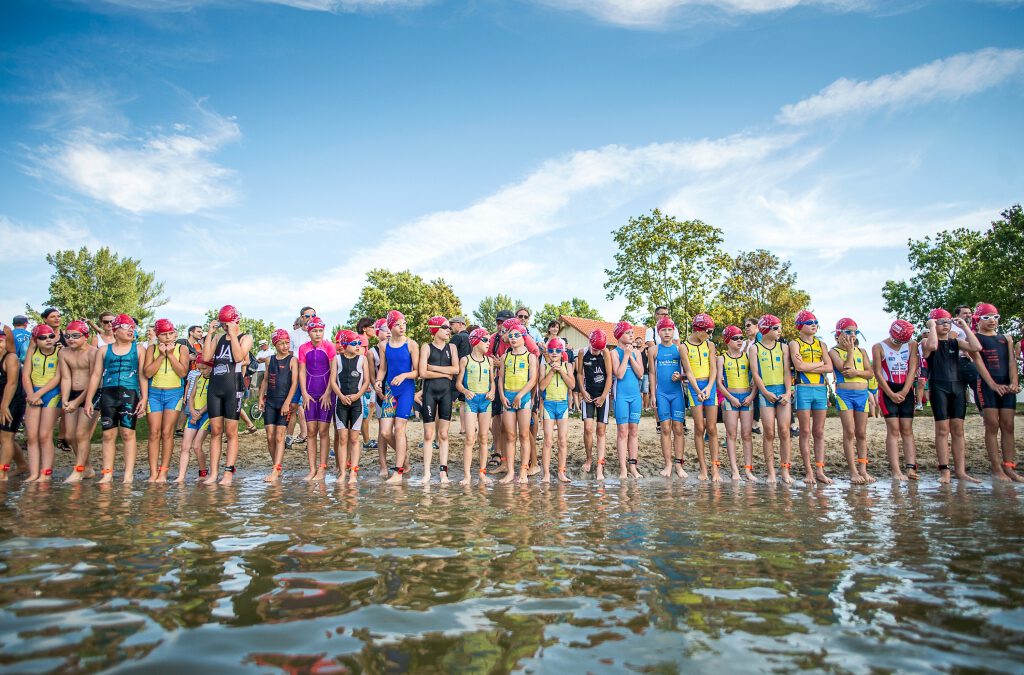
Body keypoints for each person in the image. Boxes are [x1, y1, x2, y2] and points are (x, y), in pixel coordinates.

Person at [84, 314, 147, 484]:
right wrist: (89, 400)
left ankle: (128, 474)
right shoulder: (104, 350)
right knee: (108, 435)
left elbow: (142, 376)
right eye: (127, 327)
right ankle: (107, 473)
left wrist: (144, 398)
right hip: (108, 394)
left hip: (130, 393)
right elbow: (96, 375)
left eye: (133, 328)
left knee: (127, 433)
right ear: (116, 330)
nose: (131, 331)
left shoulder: (139, 349)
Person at [922, 308, 982, 484]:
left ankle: (961, 471)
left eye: (948, 322)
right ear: (933, 323)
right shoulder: (927, 341)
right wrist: (933, 325)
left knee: (958, 430)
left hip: (957, 386)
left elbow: (977, 347)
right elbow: (932, 346)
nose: (946, 325)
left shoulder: (956, 342)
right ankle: (944, 471)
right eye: (941, 322)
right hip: (939, 387)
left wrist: (964, 325)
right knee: (942, 430)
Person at [201, 305, 253, 486]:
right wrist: (209, 333)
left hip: (234, 386)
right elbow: (206, 357)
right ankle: (213, 472)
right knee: (215, 431)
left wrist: (233, 336)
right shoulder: (217, 337)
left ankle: (228, 472)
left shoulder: (246, 338)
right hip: (215, 386)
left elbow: (238, 358)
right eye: (223, 324)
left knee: (231, 432)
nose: (225, 327)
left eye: (228, 323)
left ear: (236, 321)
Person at [970, 303, 1021, 482]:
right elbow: (978, 362)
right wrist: (991, 384)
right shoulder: (975, 338)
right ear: (978, 320)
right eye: (987, 317)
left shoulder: (1005, 338)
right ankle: (996, 468)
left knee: (1008, 425)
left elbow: (1012, 362)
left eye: (995, 317)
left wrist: (1014, 382)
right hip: (986, 385)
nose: (992, 320)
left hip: (1006, 385)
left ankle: (1009, 467)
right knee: (992, 425)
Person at [789, 310, 833, 485]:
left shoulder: (821, 344)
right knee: (805, 431)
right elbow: (798, 366)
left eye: (815, 321)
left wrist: (811, 366)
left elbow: (829, 367)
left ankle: (820, 470)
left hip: (820, 390)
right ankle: (809, 471)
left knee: (819, 431)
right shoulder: (795, 343)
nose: (814, 324)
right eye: (809, 322)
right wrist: (820, 363)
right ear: (800, 326)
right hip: (803, 390)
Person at [829, 318, 875, 484]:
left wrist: (856, 371)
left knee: (861, 433)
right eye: (848, 332)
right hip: (845, 395)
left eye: (855, 332)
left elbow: (870, 373)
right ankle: (853, 471)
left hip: (862, 394)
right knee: (849, 433)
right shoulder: (833, 352)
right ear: (839, 334)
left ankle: (863, 469)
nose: (853, 335)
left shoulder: (862, 351)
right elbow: (845, 369)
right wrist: (849, 351)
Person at [872, 319, 919, 481]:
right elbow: (877, 372)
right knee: (893, 430)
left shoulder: (912, 345)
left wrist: (906, 390)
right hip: (887, 390)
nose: (899, 343)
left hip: (906, 388)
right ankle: (896, 470)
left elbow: (913, 367)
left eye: (902, 341)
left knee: (907, 429)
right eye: (897, 340)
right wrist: (891, 394)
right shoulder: (878, 347)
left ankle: (911, 468)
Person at [143, 319, 188, 482]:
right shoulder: (151, 349)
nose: (168, 337)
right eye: (164, 334)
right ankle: (153, 472)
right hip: (154, 394)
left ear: (175, 333)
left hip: (174, 394)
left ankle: (163, 471)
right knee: (154, 433)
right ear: (157, 335)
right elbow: (147, 373)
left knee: (167, 432)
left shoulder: (182, 349)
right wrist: (161, 356)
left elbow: (183, 373)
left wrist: (170, 354)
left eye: (170, 333)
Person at [377, 310, 419, 485]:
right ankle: (405, 459)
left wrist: (404, 376)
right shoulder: (383, 345)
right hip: (389, 390)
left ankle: (398, 471)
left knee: (399, 430)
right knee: (386, 432)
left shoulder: (411, 344)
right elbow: (383, 369)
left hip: (406, 389)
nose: (402, 327)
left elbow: (417, 372)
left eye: (404, 324)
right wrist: (378, 381)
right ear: (390, 326)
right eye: (398, 324)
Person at [749, 315, 792, 483]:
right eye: (776, 328)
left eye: (780, 327)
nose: (779, 331)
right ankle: (771, 472)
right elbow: (755, 373)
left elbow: (787, 372)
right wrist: (765, 392)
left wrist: (788, 392)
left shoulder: (784, 347)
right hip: (766, 392)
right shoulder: (755, 349)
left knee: (784, 431)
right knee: (769, 433)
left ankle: (785, 471)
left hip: (782, 391)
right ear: (765, 329)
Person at [497, 319, 539, 483]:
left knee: (523, 434)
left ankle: (523, 470)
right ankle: (510, 471)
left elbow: (533, 379)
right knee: (510, 435)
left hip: (524, 398)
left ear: (524, 337)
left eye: (517, 335)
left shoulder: (530, 357)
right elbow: (501, 379)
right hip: (507, 397)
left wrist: (520, 395)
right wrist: (501, 395)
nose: (513, 338)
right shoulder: (505, 356)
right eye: (511, 335)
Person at [418, 316, 459, 484]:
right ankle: (426, 472)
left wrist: (433, 367)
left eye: (449, 327)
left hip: (445, 394)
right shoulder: (426, 347)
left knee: (443, 434)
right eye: (444, 327)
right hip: (429, 393)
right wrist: (445, 373)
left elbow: (455, 370)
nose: (448, 330)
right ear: (435, 329)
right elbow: (422, 373)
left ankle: (443, 471)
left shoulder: (452, 347)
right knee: (428, 434)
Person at [59, 320, 100, 482]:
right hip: (72, 393)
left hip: (92, 393)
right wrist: (65, 399)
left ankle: (78, 469)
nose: (71, 339)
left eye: (75, 336)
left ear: (86, 337)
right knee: (69, 436)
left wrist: (77, 402)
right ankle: (87, 468)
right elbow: (66, 377)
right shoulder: (63, 353)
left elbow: (93, 379)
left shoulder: (93, 353)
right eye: (68, 336)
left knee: (81, 434)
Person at [297, 316, 336, 482]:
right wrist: (304, 393)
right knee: (311, 431)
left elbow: (333, 371)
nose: (318, 334)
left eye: (320, 331)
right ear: (308, 331)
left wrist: (328, 392)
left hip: (327, 393)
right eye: (314, 331)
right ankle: (312, 469)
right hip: (310, 393)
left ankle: (322, 468)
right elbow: (301, 372)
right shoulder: (303, 348)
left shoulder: (329, 346)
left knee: (323, 431)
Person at [22, 323, 62, 481]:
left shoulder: (60, 352)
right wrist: (31, 394)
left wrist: (38, 394)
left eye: (51, 336)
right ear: (35, 340)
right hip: (33, 392)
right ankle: (33, 473)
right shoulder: (32, 352)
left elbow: (58, 377)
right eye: (43, 337)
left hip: (51, 393)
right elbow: (25, 375)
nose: (48, 340)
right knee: (32, 437)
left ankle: (45, 473)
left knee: (45, 435)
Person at [682, 313, 720, 481]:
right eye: (708, 331)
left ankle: (715, 468)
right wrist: (698, 390)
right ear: (698, 330)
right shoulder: (684, 346)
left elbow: (713, 368)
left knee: (712, 428)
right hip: (694, 386)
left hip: (709, 386)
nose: (710, 335)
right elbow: (688, 371)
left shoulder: (710, 345)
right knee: (699, 428)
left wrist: (710, 387)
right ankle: (703, 468)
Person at [648, 316, 686, 479]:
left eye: (670, 330)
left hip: (677, 393)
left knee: (678, 428)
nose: (667, 333)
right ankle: (668, 464)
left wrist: (681, 376)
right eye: (663, 330)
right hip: (662, 393)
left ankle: (679, 464)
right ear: (658, 332)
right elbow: (651, 373)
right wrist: (653, 394)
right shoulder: (653, 350)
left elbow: (688, 372)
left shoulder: (680, 349)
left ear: (674, 331)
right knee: (665, 428)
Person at [456, 327, 494, 485]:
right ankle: (467, 476)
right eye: (485, 340)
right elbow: (458, 383)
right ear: (476, 341)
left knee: (484, 438)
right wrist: (465, 391)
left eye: (489, 340)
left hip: (485, 401)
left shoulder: (489, 361)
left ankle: (482, 473)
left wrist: (492, 391)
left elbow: (492, 382)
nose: (488, 343)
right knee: (470, 439)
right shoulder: (465, 360)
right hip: (471, 401)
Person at [259, 329, 297, 482]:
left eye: (287, 343)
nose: (285, 346)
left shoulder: (292, 360)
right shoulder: (270, 360)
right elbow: (266, 379)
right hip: (270, 401)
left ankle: (277, 469)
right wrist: (260, 397)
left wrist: (288, 402)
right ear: (275, 344)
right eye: (281, 343)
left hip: (284, 402)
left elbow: (294, 383)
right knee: (270, 437)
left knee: (280, 437)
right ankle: (276, 465)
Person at [332, 329, 369, 484]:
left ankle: (353, 471)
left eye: (359, 343)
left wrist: (357, 396)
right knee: (342, 438)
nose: (358, 346)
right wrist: (341, 396)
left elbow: (366, 381)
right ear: (345, 344)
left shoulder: (362, 360)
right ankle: (342, 472)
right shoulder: (337, 359)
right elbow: (333, 381)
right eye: (354, 343)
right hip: (341, 402)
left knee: (354, 438)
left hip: (357, 403)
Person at [718, 325, 753, 481]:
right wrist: (730, 398)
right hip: (730, 397)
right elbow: (719, 383)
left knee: (746, 435)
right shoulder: (722, 358)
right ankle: (734, 470)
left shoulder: (748, 357)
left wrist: (752, 396)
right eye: (735, 338)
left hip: (747, 397)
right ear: (727, 340)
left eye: (741, 338)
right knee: (731, 435)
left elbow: (756, 379)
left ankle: (747, 469)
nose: (739, 340)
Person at [539, 336, 575, 483]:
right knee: (547, 441)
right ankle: (546, 473)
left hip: (562, 406)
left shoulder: (568, 366)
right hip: (549, 405)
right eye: (552, 350)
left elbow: (572, 385)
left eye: (558, 350)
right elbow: (541, 386)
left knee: (562, 441)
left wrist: (561, 371)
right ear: (548, 351)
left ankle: (561, 472)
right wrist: (552, 372)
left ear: (562, 352)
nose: (554, 353)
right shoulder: (544, 366)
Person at [611, 321, 643, 480]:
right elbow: (620, 374)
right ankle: (623, 468)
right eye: (628, 333)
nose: (631, 335)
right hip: (621, 397)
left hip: (635, 396)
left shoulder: (637, 353)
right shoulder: (614, 353)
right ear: (619, 335)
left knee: (634, 432)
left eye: (632, 332)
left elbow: (640, 373)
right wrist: (627, 356)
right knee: (623, 432)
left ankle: (633, 466)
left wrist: (632, 356)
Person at [579, 329, 612, 481]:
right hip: (589, 394)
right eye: (594, 349)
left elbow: (610, 376)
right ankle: (589, 458)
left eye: (599, 349)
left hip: (603, 395)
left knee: (601, 430)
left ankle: (600, 463)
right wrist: (583, 391)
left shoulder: (606, 353)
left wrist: (604, 396)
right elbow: (579, 374)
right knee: (588, 427)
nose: (596, 351)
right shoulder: (582, 353)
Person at [176, 358, 211, 483]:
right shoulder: (198, 378)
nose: (202, 371)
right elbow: (192, 396)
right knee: (185, 445)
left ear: (211, 367)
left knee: (197, 445)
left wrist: (200, 413)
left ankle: (203, 473)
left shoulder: (215, 380)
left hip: (206, 415)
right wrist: (191, 411)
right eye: (199, 369)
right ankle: (181, 476)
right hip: (193, 413)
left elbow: (211, 399)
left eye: (204, 368)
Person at [0, 336, 28, 480]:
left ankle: (2, 472)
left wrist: (4, 406)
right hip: (2, 401)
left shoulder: (11, 358)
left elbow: (12, 384)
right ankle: (22, 465)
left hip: (14, 401)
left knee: (6, 436)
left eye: (0, 341)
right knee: (4, 437)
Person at [287, 307, 315, 447]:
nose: (310, 318)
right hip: (297, 373)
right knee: (292, 406)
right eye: (307, 316)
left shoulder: (316, 333)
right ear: (302, 318)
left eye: (313, 315)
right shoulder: (293, 335)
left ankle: (311, 438)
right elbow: (290, 355)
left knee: (311, 406)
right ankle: (288, 438)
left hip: (313, 374)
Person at [449, 316, 471, 433]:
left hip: (456, 373)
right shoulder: (471, 338)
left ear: (461, 324)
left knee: (448, 401)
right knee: (464, 402)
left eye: (452, 323)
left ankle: (443, 429)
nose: (450, 326)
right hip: (468, 374)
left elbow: (448, 354)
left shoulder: (457, 337)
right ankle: (464, 428)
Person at [743, 317, 762, 435]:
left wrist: (755, 377)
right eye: (745, 326)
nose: (746, 328)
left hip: (756, 372)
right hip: (752, 372)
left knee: (756, 397)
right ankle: (754, 423)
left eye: (748, 325)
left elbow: (759, 358)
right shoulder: (750, 341)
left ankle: (755, 423)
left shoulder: (759, 336)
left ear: (757, 326)